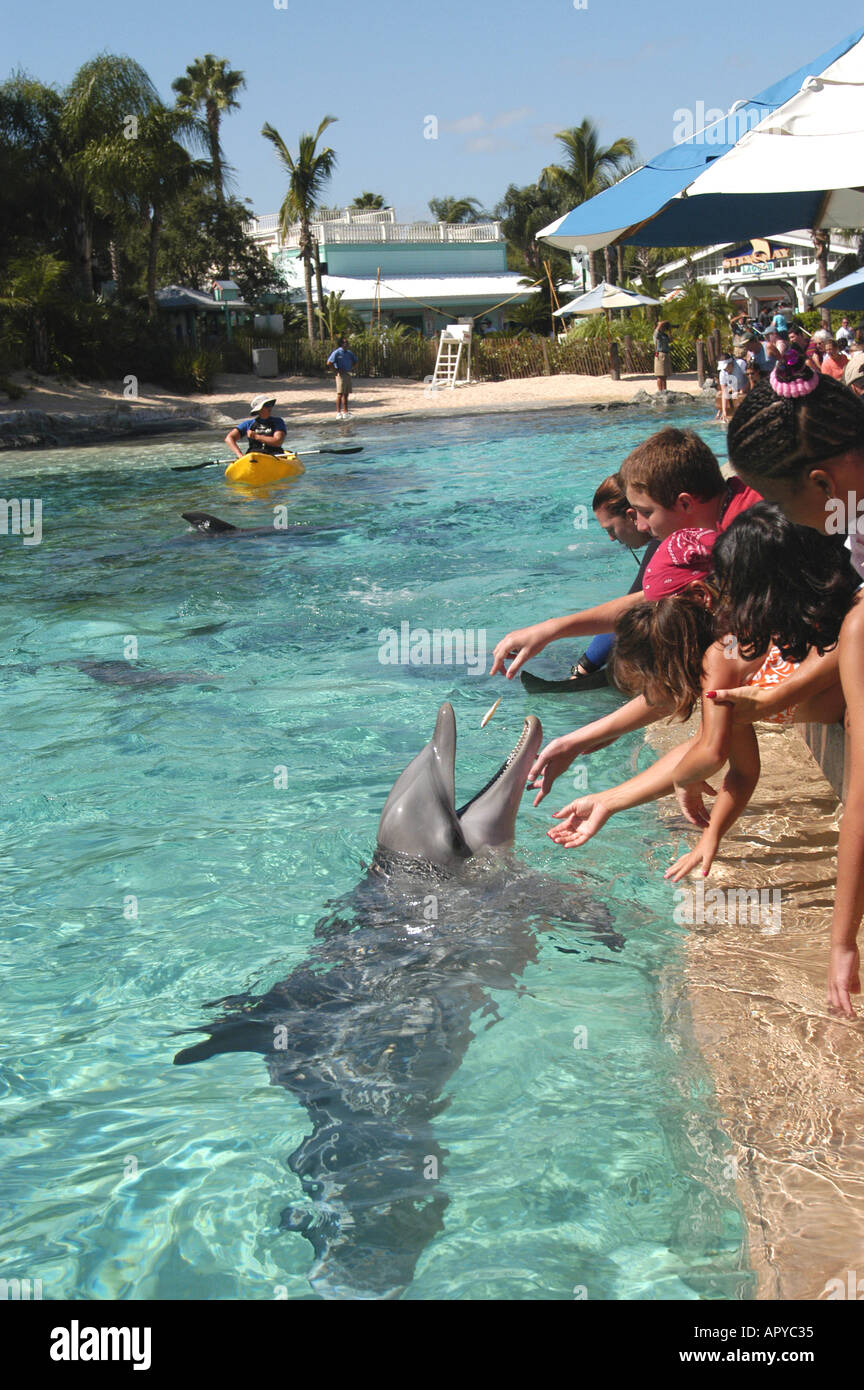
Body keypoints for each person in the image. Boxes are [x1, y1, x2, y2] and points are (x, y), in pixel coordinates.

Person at [545, 507, 852, 872]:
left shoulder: (724, 658)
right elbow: (737, 766)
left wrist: (684, 780)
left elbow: (710, 752)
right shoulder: (737, 650)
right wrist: (711, 833)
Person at [723, 351, 864, 1016]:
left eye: (777, 502)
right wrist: (779, 695)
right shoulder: (851, 518)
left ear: (820, 479)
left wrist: (841, 942)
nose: (781, 519)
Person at [490, 428, 762, 681]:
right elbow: (651, 599)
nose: (642, 526)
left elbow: (648, 605)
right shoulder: (726, 516)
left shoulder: (749, 536)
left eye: (646, 512)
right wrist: (550, 630)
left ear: (685, 502)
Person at [571, 475, 660, 679]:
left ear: (631, 516)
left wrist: (583, 668)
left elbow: (629, 613)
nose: (611, 538)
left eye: (611, 529)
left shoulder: (662, 543)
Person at [327, 337, 358, 419]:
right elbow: (329, 362)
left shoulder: (349, 353)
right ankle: (338, 412)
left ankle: (345, 412)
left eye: (347, 342)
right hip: (340, 375)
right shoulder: (337, 352)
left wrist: (352, 368)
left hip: (347, 374)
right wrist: (336, 370)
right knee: (340, 393)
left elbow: (356, 361)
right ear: (341, 344)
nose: (347, 344)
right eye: (345, 342)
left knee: (346, 394)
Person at [653, 319, 672, 392]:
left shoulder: (664, 335)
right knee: (660, 375)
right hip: (660, 354)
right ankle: (660, 390)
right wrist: (662, 323)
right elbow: (659, 326)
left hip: (666, 354)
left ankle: (664, 390)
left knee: (665, 375)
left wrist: (670, 330)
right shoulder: (657, 334)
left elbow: (671, 340)